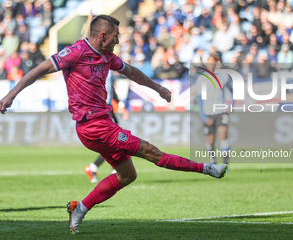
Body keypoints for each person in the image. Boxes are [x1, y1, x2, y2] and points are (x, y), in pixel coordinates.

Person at [0, 15, 227, 234]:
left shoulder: (107, 56)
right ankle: (206, 168)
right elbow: (39, 70)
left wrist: (158, 88)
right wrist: (10, 95)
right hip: (93, 127)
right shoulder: (75, 53)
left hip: (104, 123)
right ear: (103, 36)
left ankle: (79, 208)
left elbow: (132, 72)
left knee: (128, 175)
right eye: (116, 36)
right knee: (150, 151)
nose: (119, 40)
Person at [84, 70, 129, 183]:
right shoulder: (96, 67)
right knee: (115, 139)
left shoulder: (108, 70)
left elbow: (111, 90)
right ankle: (113, 169)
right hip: (100, 107)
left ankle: (96, 168)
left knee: (115, 140)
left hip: (108, 108)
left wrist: (119, 104)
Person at [196, 55, 233, 165]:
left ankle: (226, 163)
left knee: (223, 134)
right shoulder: (201, 79)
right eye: (209, 61)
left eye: (213, 61)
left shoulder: (224, 76)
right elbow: (199, 98)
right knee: (211, 140)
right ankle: (212, 160)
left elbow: (232, 92)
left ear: (217, 62)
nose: (211, 64)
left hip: (221, 110)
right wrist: (203, 116)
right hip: (208, 112)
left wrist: (232, 104)